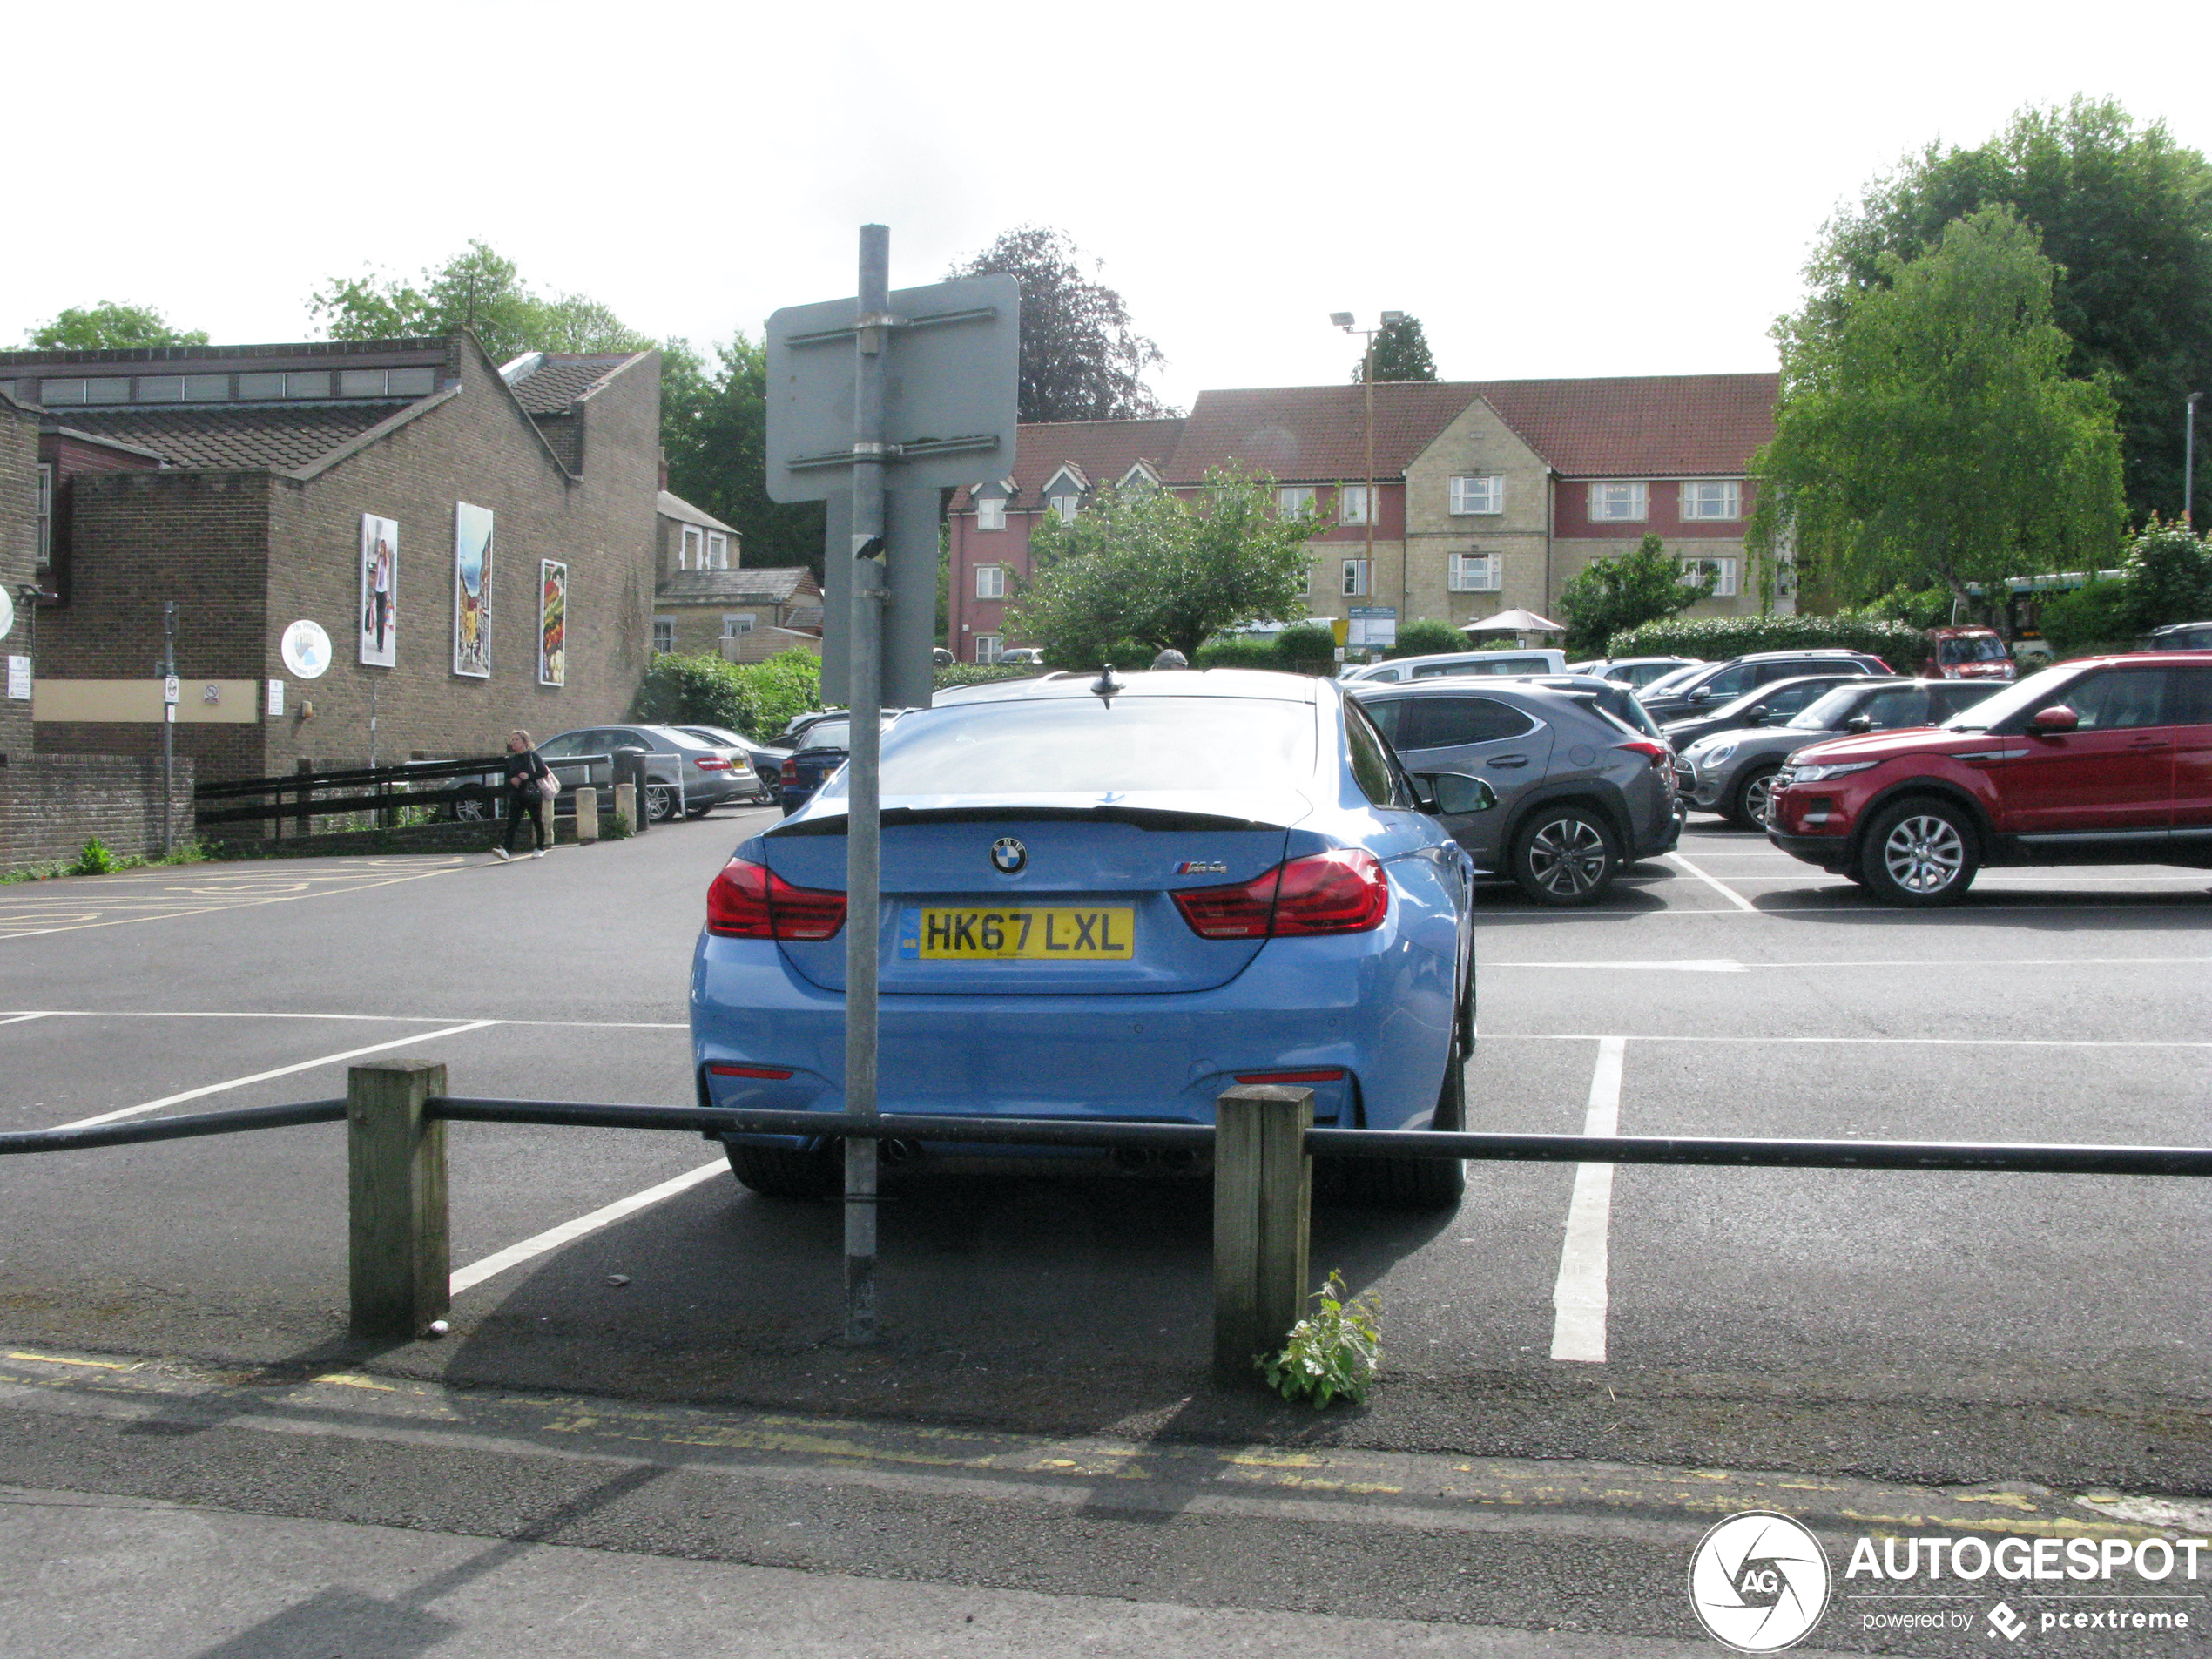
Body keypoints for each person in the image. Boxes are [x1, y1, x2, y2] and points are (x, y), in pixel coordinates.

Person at [495, 730, 552, 860]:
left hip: (532, 793)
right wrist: (511, 781)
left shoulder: (533, 756)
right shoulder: (512, 760)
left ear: (525, 742)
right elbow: (507, 778)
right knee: (512, 823)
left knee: (536, 820)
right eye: (512, 740)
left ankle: (540, 847)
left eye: (516, 740)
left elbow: (543, 772)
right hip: (517, 794)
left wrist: (529, 776)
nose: (513, 742)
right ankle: (507, 851)